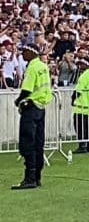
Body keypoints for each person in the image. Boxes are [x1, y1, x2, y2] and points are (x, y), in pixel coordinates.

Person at [11, 44, 53, 190]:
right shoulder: (43, 66)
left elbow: (27, 90)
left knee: (27, 143)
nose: (22, 54)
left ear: (31, 52)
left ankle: (29, 178)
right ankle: (37, 177)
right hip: (41, 107)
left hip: (31, 107)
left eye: (24, 51)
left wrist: (17, 101)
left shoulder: (32, 67)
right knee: (38, 144)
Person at [72, 56, 89, 153]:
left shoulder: (84, 75)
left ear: (86, 64)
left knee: (80, 126)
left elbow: (79, 90)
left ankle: (82, 146)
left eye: (81, 64)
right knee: (88, 127)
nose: (80, 66)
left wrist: (72, 98)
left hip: (81, 106)